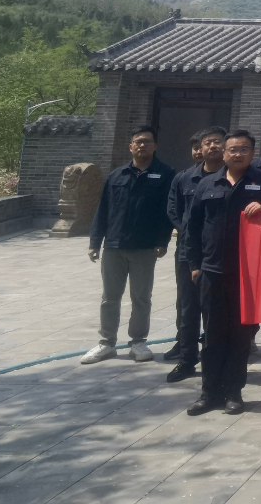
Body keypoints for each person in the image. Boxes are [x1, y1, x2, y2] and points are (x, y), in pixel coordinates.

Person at [182, 130, 261, 415]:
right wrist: (194, 265)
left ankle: (234, 392)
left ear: (253, 152)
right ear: (223, 153)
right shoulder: (207, 184)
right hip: (211, 270)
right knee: (212, 334)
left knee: (240, 335)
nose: (237, 154)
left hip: (247, 274)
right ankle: (209, 393)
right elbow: (192, 228)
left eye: (244, 149)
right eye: (233, 149)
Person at [83, 127, 175, 366]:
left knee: (141, 297)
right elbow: (103, 209)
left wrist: (162, 241)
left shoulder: (166, 174)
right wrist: (95, 242)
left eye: (147, 141)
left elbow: (167, 213)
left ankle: (138, 341)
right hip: (114, 245)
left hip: (145, 247)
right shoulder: (117, 175)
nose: (142, 145)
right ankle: (106, 342)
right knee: (109, 297)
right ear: (131, 146)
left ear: (155, 146)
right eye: (138, 142)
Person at [164, 127, 223, 379]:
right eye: (207, 143)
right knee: (188, 308)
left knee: (215, 310)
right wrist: (190, 233)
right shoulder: (184, 178)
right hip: (188, 253)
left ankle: (214, 361)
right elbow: (173, 210)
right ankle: (187, 359)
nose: (211, 147)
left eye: (217, 142)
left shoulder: (231, 177)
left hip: (218, 254)